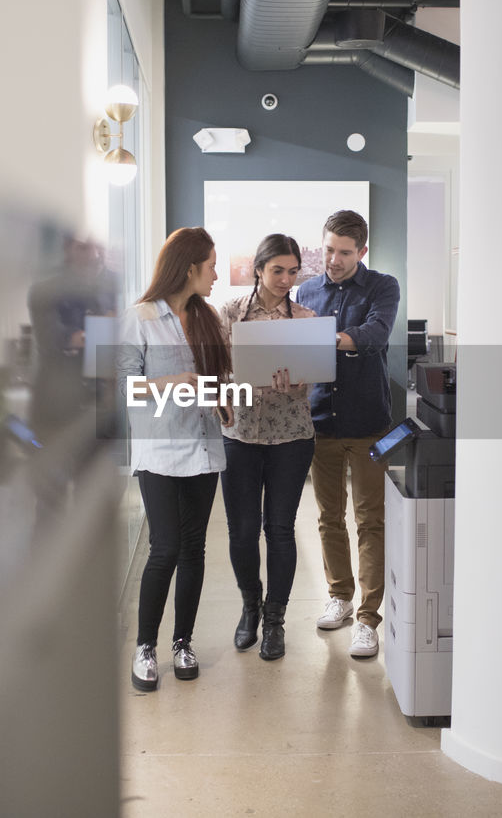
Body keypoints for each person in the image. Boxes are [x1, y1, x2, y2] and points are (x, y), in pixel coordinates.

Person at [116, 227, 232, 691]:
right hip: (159, 449)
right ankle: (145, 646)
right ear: (189, 268)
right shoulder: (139, 318)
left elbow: (217, 379)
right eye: (211, 266)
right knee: (164, 548)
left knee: (194, 550)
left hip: (203, 446)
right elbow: (124, 385)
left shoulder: (209, 319)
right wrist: (173, 381)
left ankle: (182, 642)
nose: (216, 275)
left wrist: (222, 398)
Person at [294, 210, 400, 658]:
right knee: (328, 517)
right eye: (328, 250)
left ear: (362, 251)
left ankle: (368, 619)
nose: (333, 260)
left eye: (344, 252)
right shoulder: (307, 290)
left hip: (368, 421)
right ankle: (339, 596)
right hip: (321, 421)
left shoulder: (382, 286)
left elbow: (374, 334)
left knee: (371, 521)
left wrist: (322, 338)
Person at [218, 234, 317, 661]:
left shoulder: (306, 318)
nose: (286, 279)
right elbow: (215, 372)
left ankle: (275, 618)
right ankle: (249, 607)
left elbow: (307, 386)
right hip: (239, 436)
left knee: (279, 529)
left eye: (293, 271)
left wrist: (297, 388)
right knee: (241, 531)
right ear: (258, 269)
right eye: (278, 270)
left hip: (291, 438)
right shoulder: (228, 315)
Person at [27, 233, 120, 533]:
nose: (91, 253)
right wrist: (100, 332)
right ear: (67, 249)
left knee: (91, 499)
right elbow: (58, 339)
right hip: (55, 409)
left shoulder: (104, 289)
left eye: (95, 246)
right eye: (83, 246)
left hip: (95, 405)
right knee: (49, 503)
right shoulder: (45, 290)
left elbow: (107, 341)